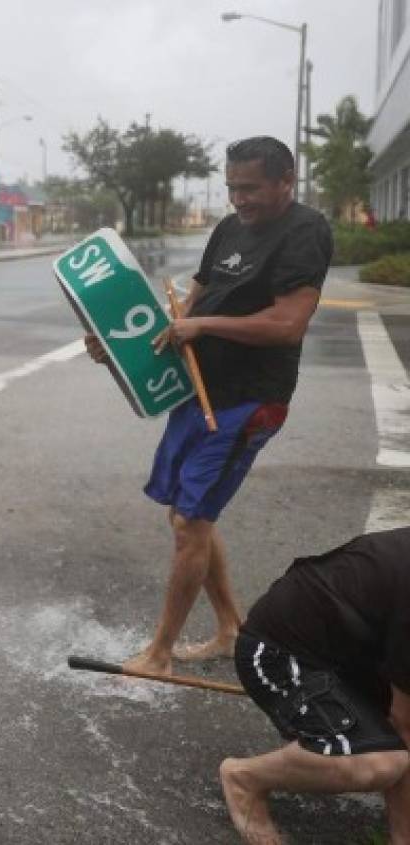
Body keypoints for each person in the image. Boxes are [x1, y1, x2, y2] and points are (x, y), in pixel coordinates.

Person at [86, 136, 332, 676]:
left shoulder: (305, 231)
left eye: (251, 188)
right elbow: (194, 294)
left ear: (286, 180)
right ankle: (230, 630)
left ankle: (160, 655)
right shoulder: (228, 228)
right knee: (189, 516)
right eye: (232, 188)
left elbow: (288, 323)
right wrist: (120, 344)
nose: (239, 199)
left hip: (248, 401)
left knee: (190, 524)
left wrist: (202, 325)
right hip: (200, 390)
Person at [221, 528, 410, 844]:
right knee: (381, 763)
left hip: (356, 655)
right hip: (278, 651)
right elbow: (406, 724)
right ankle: (244, 779)